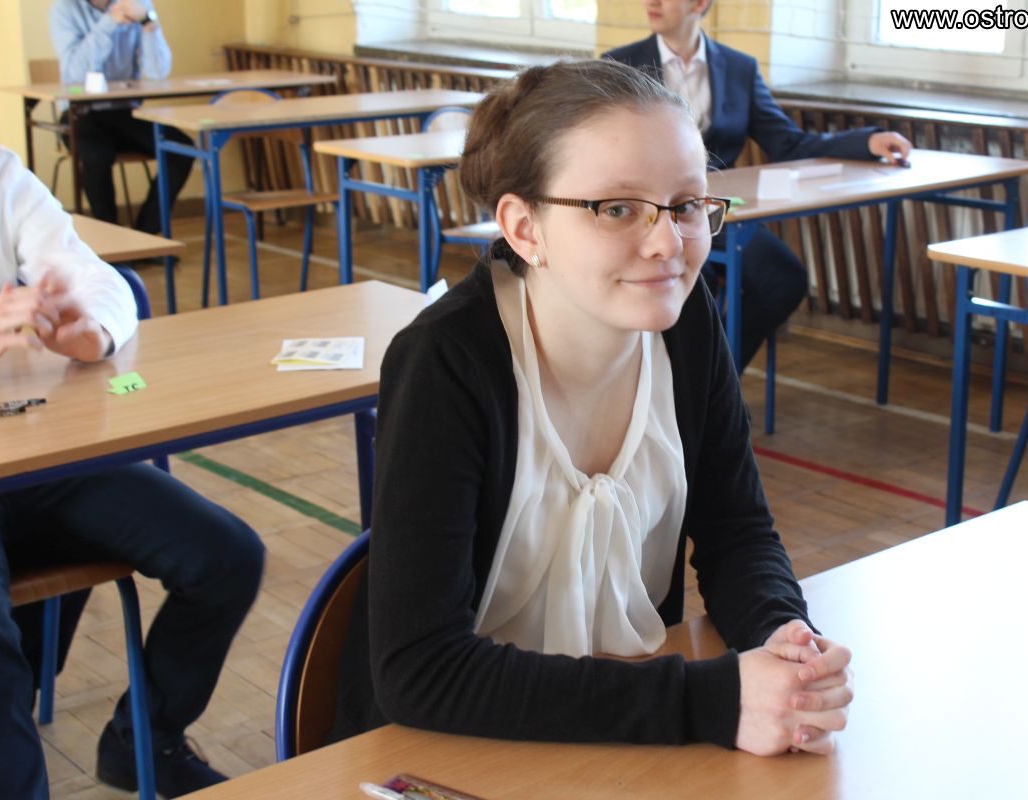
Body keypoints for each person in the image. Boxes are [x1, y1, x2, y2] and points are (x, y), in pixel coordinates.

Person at [331, 59, 853, 757]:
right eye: (617, 209)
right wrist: (711, 700)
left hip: (618, 733)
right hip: (447, 749)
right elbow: (420, 671)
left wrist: (783, 635)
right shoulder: (447, 362)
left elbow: (736, 532)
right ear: (525, 228)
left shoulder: (686, 323)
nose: (668, 243)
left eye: (686, 204)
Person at [0, 6, 264, 797]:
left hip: (37, 459)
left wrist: (90, 331)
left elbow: (99, 278)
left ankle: (144, 742)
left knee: (227, 556)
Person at [605, 0, 913, 368]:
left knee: (783, 279)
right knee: (694, 286)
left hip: (719, 214)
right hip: (653, 217)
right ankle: (682, 379)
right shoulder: (619, 64)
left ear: (700, 3)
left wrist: (867, 142)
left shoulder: (740, 67)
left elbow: (788, 143)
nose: (651, 2)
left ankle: (715, 375)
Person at [49, 0, 194, 234]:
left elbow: (158, 72)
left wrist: (148, 22)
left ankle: (146, 235)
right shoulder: (65, 8)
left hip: (126, 112)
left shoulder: (137, 4)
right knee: (97, 155)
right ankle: (110, 238)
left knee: (181, 148)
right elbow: (74, 74)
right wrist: (109, 22)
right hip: (81, 114)